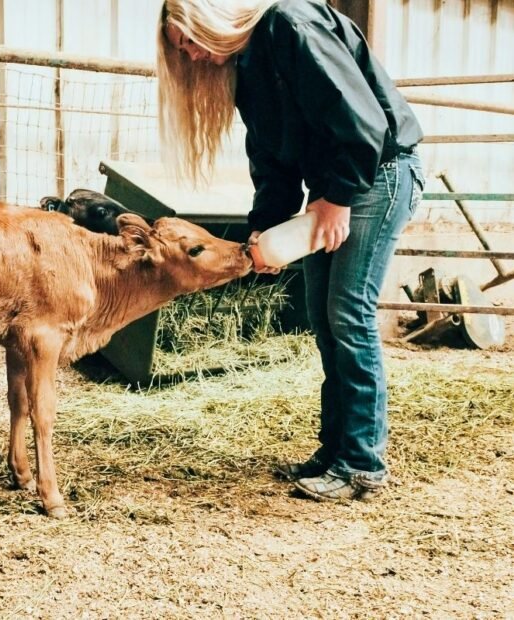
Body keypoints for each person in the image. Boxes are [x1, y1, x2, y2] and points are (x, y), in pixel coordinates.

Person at [156, 0, 425, 501]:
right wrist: (262, 231)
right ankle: (337, 449)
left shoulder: (288, 24)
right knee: (325, 318)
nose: (191, 56)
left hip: (377, 174)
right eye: (182, 50)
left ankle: (362, 464)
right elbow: (272, 158)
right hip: (333, 189)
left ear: (210, 18)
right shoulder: (248, 69)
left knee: (349, 313)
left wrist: (338, 197)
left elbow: (361, 120)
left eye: (190, 40)